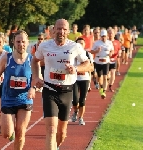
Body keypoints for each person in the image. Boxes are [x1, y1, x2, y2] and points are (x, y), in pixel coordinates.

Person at [31, 19, 90, 150]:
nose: (61, 32)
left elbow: (88, 65)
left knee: (61, 133)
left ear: (68, 31)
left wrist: (76, 69)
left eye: (64, 29)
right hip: (49, 89)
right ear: (53, 30)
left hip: (67, 91)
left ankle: (56, 147)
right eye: (58, 28)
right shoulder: (44, 46)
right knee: (51, 130)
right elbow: (34, 61)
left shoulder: (75, 47)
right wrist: (36, 77)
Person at [0, 30, 35, 149]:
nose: (20, 44)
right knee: (6, 134)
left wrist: (33, 88)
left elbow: (38, 79)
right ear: (13, 42)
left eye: (23, 42)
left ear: (27, 43)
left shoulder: (32, 60)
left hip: (25, 100)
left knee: (20, 133)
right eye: (18, 41)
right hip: (8, 99)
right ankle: (5, 125)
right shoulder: (6, 58)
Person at [71, 37, 94, 125]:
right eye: (78, 43)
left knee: (82, 100)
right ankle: (75, 111)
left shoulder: (88, 54)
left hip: (85, 79)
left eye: (82, 43)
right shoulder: (72, 55)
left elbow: (92, 68)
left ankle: (81, 118)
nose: (80, 45)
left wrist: (83, 68)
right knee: (75, 100)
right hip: (74, 79)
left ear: (84, 45)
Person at [91, 29, 114, 99]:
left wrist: (111, 53)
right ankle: (101, 88)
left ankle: (104, 91)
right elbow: (91, 51)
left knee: (105, 77)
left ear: (107, 36)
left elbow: (112, 50)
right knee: (99, 77)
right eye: (102, 36)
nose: (103, 38)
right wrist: (96, 51)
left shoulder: (109, 43)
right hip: (98, 61)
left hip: (106, 61)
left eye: (105, 36)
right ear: (100, 36)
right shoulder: (96, 43)